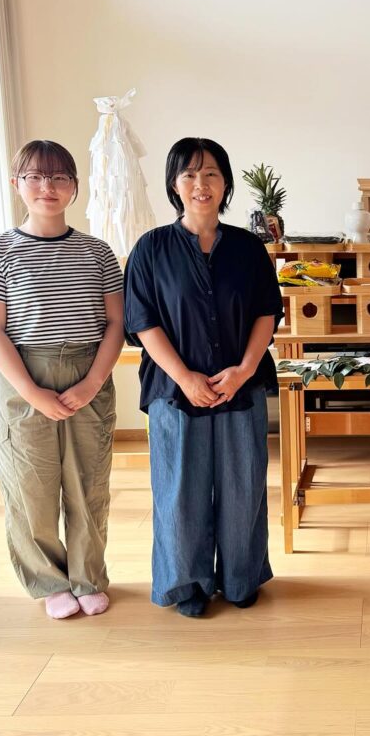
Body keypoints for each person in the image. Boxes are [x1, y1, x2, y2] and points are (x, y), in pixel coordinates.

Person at [124, 137, 283, 617]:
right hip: (174, 391)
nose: (201, 184)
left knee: (243, 485)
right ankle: (186, 584)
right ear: (175, 184)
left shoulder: (249, 248)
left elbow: (265, 312)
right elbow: (142, 320)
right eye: (190, 174)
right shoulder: (151, 248)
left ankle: (241, 577)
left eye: (211, 174)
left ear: (226, 183)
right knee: (179, 491)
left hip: (242, 386)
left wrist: (245, 369)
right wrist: (186, 377)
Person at [0, 140, 124, 619]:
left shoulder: (97, 252)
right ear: (17, 184)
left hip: (87, 370)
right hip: (22, 376)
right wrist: (32, 391)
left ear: (74, 188)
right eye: (35, 177)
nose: (47, 187)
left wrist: (92, 382)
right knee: (30, 487)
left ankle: (87, 576)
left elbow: (116, 325)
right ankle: (46, 580)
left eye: (59, 178)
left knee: (88, 485)